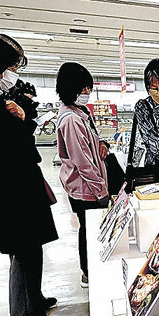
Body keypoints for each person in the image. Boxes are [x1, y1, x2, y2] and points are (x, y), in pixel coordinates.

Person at [0, 31, 61, 316]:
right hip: (9, 188)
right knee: (24, 250)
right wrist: (24, 119)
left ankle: (33, 299)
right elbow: (7, 144)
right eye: (12, 67)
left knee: (29, 249)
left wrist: (23, 113)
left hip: (12, 185)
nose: (14, 74)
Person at [56, 62, 109, 287]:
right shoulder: (71, 119)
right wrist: (102, 190)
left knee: (90, 228)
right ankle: (88, 273)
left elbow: (88, 146)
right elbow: (82, 162)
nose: (87, 93)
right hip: (86, 188)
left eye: (88, 88)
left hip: (86, 186)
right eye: (83, 88)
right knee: (88, 231)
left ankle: (90, 270)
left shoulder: (79, 112)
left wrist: (101, 143)